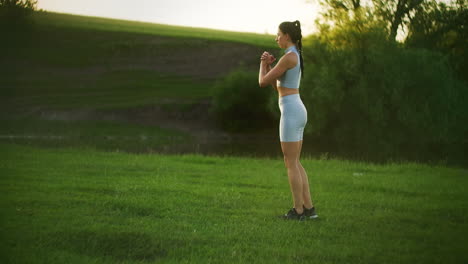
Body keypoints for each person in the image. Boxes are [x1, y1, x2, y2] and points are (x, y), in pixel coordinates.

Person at [258, 20, 318, 220]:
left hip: (292, 111)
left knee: (290, 162)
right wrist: (269, 65)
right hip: (296, 109)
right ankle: (309, 209)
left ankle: (298, 210)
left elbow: (262, 82)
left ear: (287, 36)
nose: (276, 38)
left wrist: (263, 64)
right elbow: (278, 88)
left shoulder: (288, 57)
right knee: (295, 162)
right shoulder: (294, 56)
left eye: (278, 34)